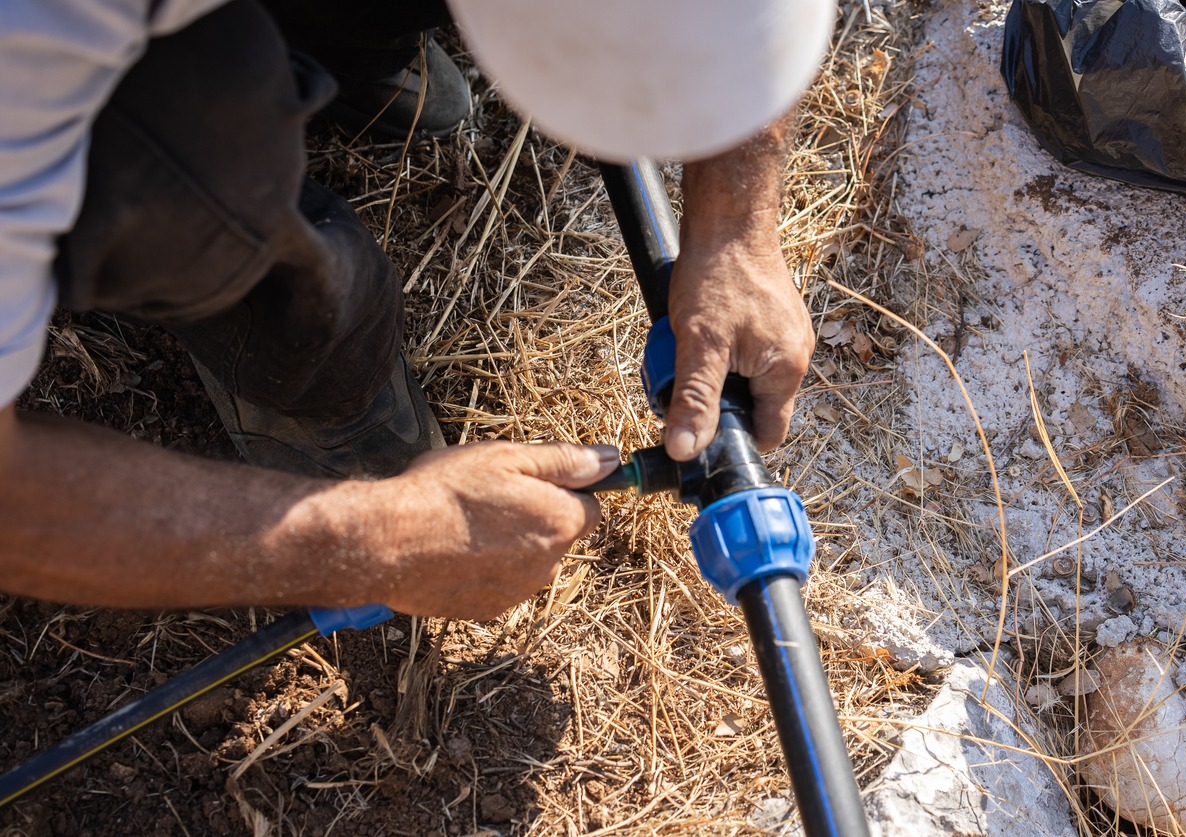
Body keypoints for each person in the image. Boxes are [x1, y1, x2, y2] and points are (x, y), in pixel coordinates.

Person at [0, 0, 822, 622]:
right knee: (203, 173)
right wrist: (377, 540)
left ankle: (326, 45)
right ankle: (287, 344)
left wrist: (735, 226)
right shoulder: (33, 46)